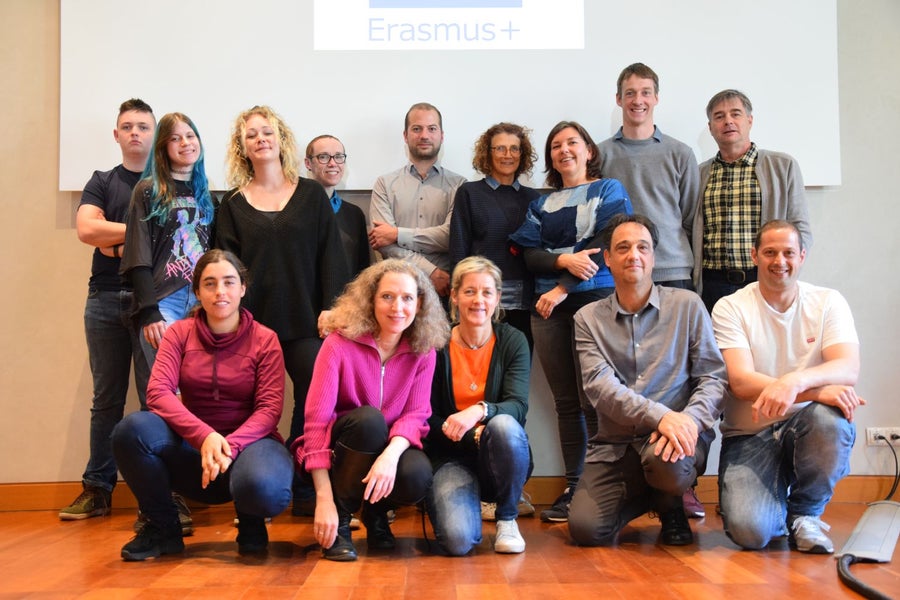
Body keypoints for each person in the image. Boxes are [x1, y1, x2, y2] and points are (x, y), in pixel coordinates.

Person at [111, 250, 293, 560]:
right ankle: (163, 529)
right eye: (210, 284)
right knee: (131, 431)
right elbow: (158, 393)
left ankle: (252, 524)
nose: (220, 291)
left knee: (265, 488)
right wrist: (205, 436)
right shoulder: (179, 333)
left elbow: (269, 411)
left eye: (229, 282)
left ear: (243, 288)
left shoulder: (266, 339)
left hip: (250, 447)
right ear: (197, 291)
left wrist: (228, 447)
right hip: (194, 451)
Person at [216, 106, 351, 516]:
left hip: (307, 323)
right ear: (242, 147)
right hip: (251, 328)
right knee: (252, 404)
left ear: (281, 140)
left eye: (267, 132)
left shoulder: (311, 195)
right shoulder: (232, 205)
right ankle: (257, 485)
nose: (261, 139)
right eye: (251, 134)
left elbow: (332, 257)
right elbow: (227, 270)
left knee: (315, 399)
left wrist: (332, 308)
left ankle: (303, 479)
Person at [567, 214, 727, 547]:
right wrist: (661, 416)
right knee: (586, 530)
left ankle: (671, 504)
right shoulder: (587, 319)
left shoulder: (687, 306)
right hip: (617, 445)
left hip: (677, 440)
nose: (633, 255)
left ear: (654, 257)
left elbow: (713, 377)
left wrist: (687, 421)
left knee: (664, 462)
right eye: (623, 248)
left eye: (643, 247)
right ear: (607, 258)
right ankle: (655, 497)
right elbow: (600, 388)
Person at [712, 220, 862, 554]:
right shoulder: (730, 307)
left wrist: (795, 381)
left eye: (788, 253)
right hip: (749, 433)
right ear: (754, 255)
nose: (779, 261)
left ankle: (806, 514)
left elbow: (847, 367)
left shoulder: (828, 302)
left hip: (808, 426)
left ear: (802, 256)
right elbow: (740, 381)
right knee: (750, 533)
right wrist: (818, 391)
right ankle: (777, 507)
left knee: (830, 419)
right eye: (770, 252)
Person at [509, 121, 632, 523]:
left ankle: (603, 486)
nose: (564, 150)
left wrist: (562, 287)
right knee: (566, 403)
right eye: (556, 145)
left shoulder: (608, 190)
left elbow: (606, 241)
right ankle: (575, 487)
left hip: (593, 301)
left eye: (572, 143)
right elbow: (529, 254)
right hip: (546, 308)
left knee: (595, 397)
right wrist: (563, 260)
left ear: (589, 150)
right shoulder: (541, 204)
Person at [597, 63, 704, 517]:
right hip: (617, 275)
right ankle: (636, 476)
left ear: (656, 98)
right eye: (629, 93)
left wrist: (693, 276)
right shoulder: (601, 154)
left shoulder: (680, 152)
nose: (637, 100)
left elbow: (690, 217)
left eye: (645, 92)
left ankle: (682, 479)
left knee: (679, 380)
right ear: (618, 99)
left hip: (673, 272)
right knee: (630, 374)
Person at [293, 259, 450, 562]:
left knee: (417, 473)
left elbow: (416, 415)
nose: (397, 307)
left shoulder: (424, 350)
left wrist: (390, 456)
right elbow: (316, 422)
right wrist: (323, 499)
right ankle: (340, 519)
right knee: (369, 421)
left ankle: (376, 512)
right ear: (371, 300)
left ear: (419, 304)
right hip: (343, 447)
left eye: (407, 298)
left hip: (388, 445)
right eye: (387, 296)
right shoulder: (338, 344)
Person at [60, 99, 156, 521]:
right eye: (127, 126)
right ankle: (97, 490)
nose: (135, 132)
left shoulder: (167, 184)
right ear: (116, 135)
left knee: (157, 399)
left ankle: (160, 495)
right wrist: (142, 232)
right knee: (106, 401)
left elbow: (173, 240)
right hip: (103, 298)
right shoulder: (102, 180)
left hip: (153, 302)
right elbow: (86, 229)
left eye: (143, 126)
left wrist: (114, 243)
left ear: (155, 134)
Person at [424, 256, 532, 555]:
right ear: (454, 296)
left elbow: (518, 406)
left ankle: (507, 518)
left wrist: (479, 411)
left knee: (504, 425)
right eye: (469, 291)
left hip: (500, 453)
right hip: (450, 457)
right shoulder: (435, 345)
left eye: (487, 292)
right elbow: (426, 416)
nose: (478, 300)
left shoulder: (513, 341)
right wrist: (468, 434)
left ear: (497, 298)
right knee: (457, 541)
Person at [693, 89, 813, 312]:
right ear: (710, 128)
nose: (728, 121)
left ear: (749, 120)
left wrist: (785, 274)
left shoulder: (782, 166)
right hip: (712, 285)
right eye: (719, 116)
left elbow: (800, 228)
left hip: (764, 280)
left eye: (735, 114)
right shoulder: (699, 174)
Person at [120, 112, 216, 367]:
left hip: (202, 303)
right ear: (163, 146)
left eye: (190, 136)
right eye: (175, 138)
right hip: (164, 302)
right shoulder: (148, 191)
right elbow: (138, 255)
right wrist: (150, 312)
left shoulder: (206, 195)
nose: (185, 143)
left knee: (198, 382)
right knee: (169, 385)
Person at [449, 122, 541, 348]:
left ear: (522, 154)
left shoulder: (534, 198)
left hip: (523, 300)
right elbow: (459, 248)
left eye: (514, 148)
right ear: (487, 153)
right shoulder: (469, 193)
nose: (507, 155)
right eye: (500, 148)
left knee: (517, 362)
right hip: (480, 299)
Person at [368, 102, 466, 299]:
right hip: (397, 292)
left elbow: (450, 237)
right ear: (405, 136)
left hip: (444, 293)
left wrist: (396, 234)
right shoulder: (384, 184)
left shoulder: (460, 185)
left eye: (432, 129)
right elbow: (383, 242)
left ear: (441, 135)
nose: (424, 135)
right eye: (416, 129)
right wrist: (430, 273)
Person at [305, 135, 371, 278]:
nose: (333, 163)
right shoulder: (297, 211)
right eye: (323, 157)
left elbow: (362, 269)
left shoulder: (354, 215)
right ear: (308, 164)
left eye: (338, 157)